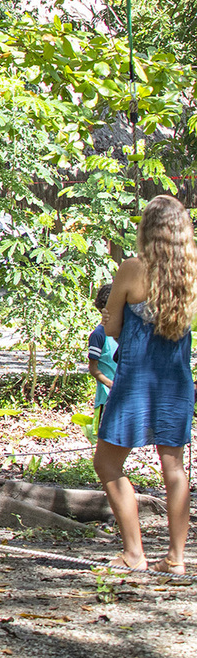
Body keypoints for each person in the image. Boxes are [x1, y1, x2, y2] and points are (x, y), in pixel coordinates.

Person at [94, 194, 194, 575]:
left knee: (106, 462)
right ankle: (177, 558)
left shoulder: (133, 269)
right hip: (176, 383)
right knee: (174, 468)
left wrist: (108, 318)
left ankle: (134, 553)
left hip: (135, 381)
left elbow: (113, 327)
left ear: (147, 230)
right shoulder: (190, 271)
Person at [87, 282, 117, 432]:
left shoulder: (123, 333)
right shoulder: (98, 335)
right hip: (107, 397)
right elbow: (93, 368)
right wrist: (111, 384)